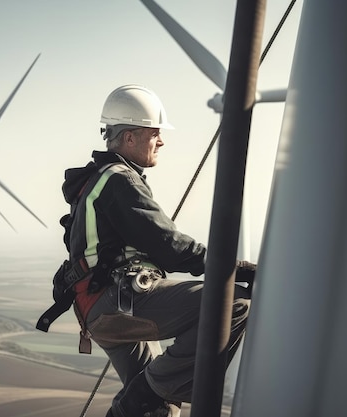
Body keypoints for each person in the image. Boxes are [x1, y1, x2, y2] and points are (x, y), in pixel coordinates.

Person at [52, 85, 253, 417]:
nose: (161, 140)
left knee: (156, 408)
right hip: (118, 303)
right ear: (130, 138)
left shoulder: (96, 181)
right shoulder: (120, 181)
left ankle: (140, 402)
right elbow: (170, 247)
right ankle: (140, 397)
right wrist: (238, 269)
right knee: (235, 304)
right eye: (155, 133)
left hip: (96, 308)